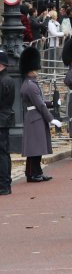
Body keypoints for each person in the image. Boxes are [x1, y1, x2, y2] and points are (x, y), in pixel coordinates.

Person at [20, 47, 59, 182]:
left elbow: (41, 102)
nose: (37, 71)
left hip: (36, 117)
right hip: (34, 118)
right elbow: (40, 104)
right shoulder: (30, 85)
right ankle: (32, 173)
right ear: (30, 69)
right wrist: (51, 118)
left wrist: (53, 103)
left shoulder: (31, 83)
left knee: (37, 148)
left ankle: (36, 172)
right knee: (34, 148)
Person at [0, 50, 14, 194]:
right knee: (4, 153)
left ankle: (4, 185)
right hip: (5, 119)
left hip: (1, 119)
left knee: (2, 154)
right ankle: (5, 183)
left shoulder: (3, 80)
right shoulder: (8, 79)